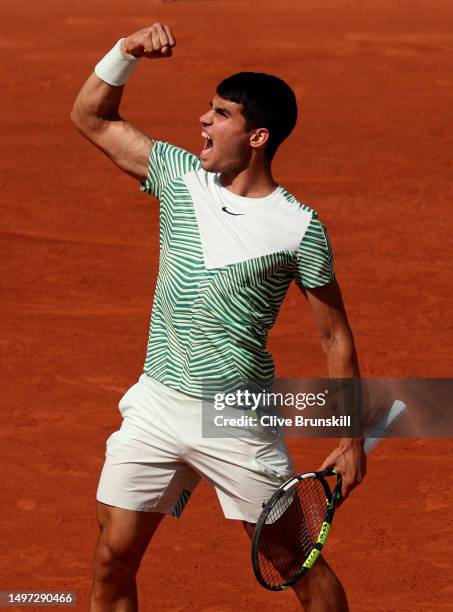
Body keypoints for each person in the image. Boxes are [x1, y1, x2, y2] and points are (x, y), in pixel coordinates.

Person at [71, 22, 366, 612]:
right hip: (156, 400)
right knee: (111, 558)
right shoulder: (181, 178)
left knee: (295, 567)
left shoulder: (299, 227)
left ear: (257, 136)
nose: (203, 121)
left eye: (220, 114)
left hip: (234, 415)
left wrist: (352, 436)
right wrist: (124, 52)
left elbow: (335, 335)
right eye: (209, 109)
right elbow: (93, 119)